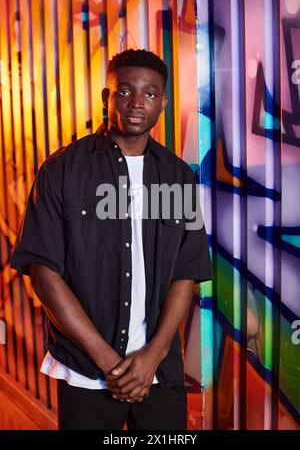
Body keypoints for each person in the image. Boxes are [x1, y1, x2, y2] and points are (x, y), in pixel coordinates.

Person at [10, 48, 213, 430]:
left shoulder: (177, 177)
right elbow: (43, 273)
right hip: (87, 372)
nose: (137, 103)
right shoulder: (63, 170)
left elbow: (186, 274)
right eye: (125, 91)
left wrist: (153, 355)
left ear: (163, 102)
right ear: (107, 96)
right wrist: (111, 364)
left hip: (159, 373)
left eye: (150, 93)